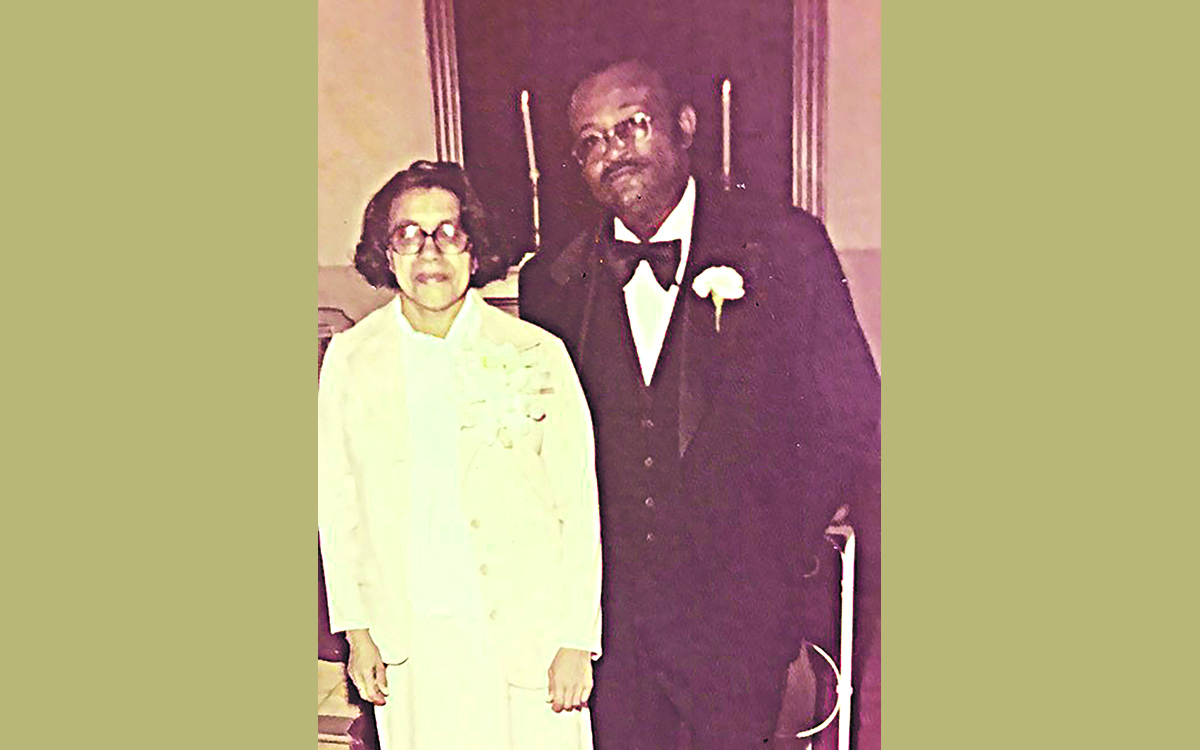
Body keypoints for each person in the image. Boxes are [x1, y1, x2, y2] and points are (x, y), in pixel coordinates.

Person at [519, 61, 881, 749]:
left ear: (684, 125)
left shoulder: (785, 247)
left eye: (632, 124)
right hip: (612, 626)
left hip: (740, 612)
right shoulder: (553, 279)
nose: (613, 151)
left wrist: (780, 546)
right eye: (590, 141)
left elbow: (849, 408)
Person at [319, 160, 602, 750]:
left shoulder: (536, 351)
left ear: (474, 251)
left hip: (527, 637)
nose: (430, 251)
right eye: (408, 234)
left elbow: (578, 505)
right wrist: (357, 630)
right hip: (413, 640)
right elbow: (338, 504)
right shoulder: (351, 358)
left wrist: (577, 638)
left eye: (449, 232)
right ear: (386, 253)